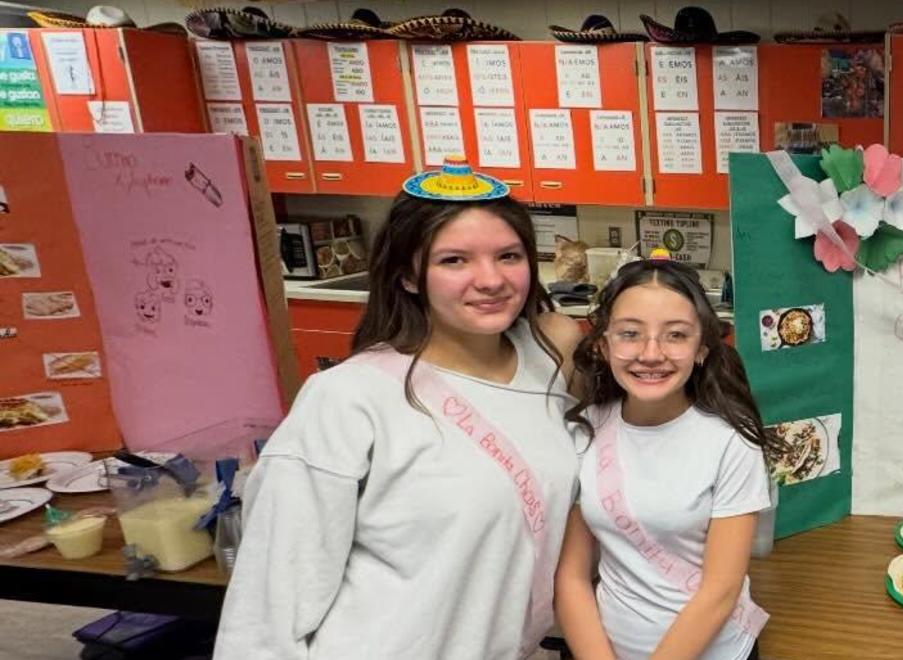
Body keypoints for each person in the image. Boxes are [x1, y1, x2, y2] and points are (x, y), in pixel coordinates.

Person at [215, 158, 585, 659]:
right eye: (454, 260)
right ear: (409, 276)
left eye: (509, 256)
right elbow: (267, 606)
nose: (491, 279)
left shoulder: (548, 362)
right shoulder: (348, 398)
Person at [554, 254, 785, 660]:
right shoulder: (586, 430)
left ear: (701, 350)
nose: (651, 353)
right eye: (630, 333)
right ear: (605, 346)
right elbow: (572, 578)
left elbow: (721, 590)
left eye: (676, 335)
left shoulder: (730, 442)